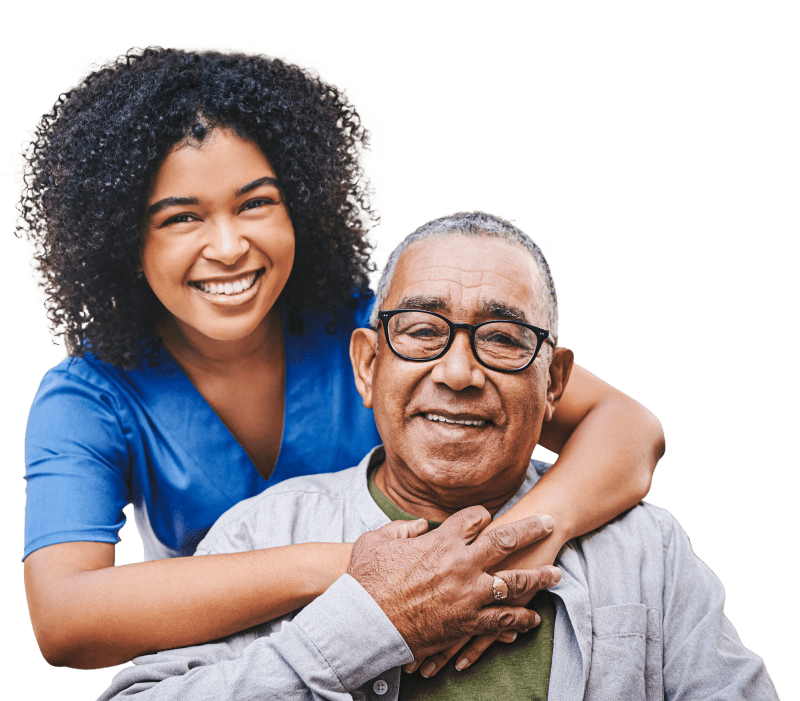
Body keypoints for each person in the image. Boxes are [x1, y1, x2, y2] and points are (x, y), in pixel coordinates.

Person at [13, 44, 665, 672]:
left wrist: (514, 544)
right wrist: (355, 567)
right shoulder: (89, 399)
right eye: (181, 218)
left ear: (301, 205)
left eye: (256, 203)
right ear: (122, 238)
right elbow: (66, 618)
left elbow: (628, 426)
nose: (229, 246)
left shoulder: (391, 331)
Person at [99, 210, 778, 700]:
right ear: (367, 366)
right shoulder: (263, 531)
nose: (458, 372)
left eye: (503, 338)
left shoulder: (647, 552)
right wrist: (367, 625)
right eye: (422, 331)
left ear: (554, 384)